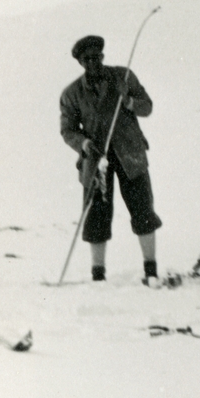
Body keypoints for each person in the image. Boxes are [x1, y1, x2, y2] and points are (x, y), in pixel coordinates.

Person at [60, 35, 163, 285]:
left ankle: (151, 271)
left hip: (131, 156)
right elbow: (68, 130)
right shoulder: (72, 93)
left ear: (103, 57)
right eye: (87, 59)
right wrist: (84, 144)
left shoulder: (123, 76)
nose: (93, 63)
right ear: (81, 63)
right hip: (96, 161)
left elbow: (147, 106)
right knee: (97, 216)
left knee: (143, 211)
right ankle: (98, 275)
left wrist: (128, 102)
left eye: (97, 57)